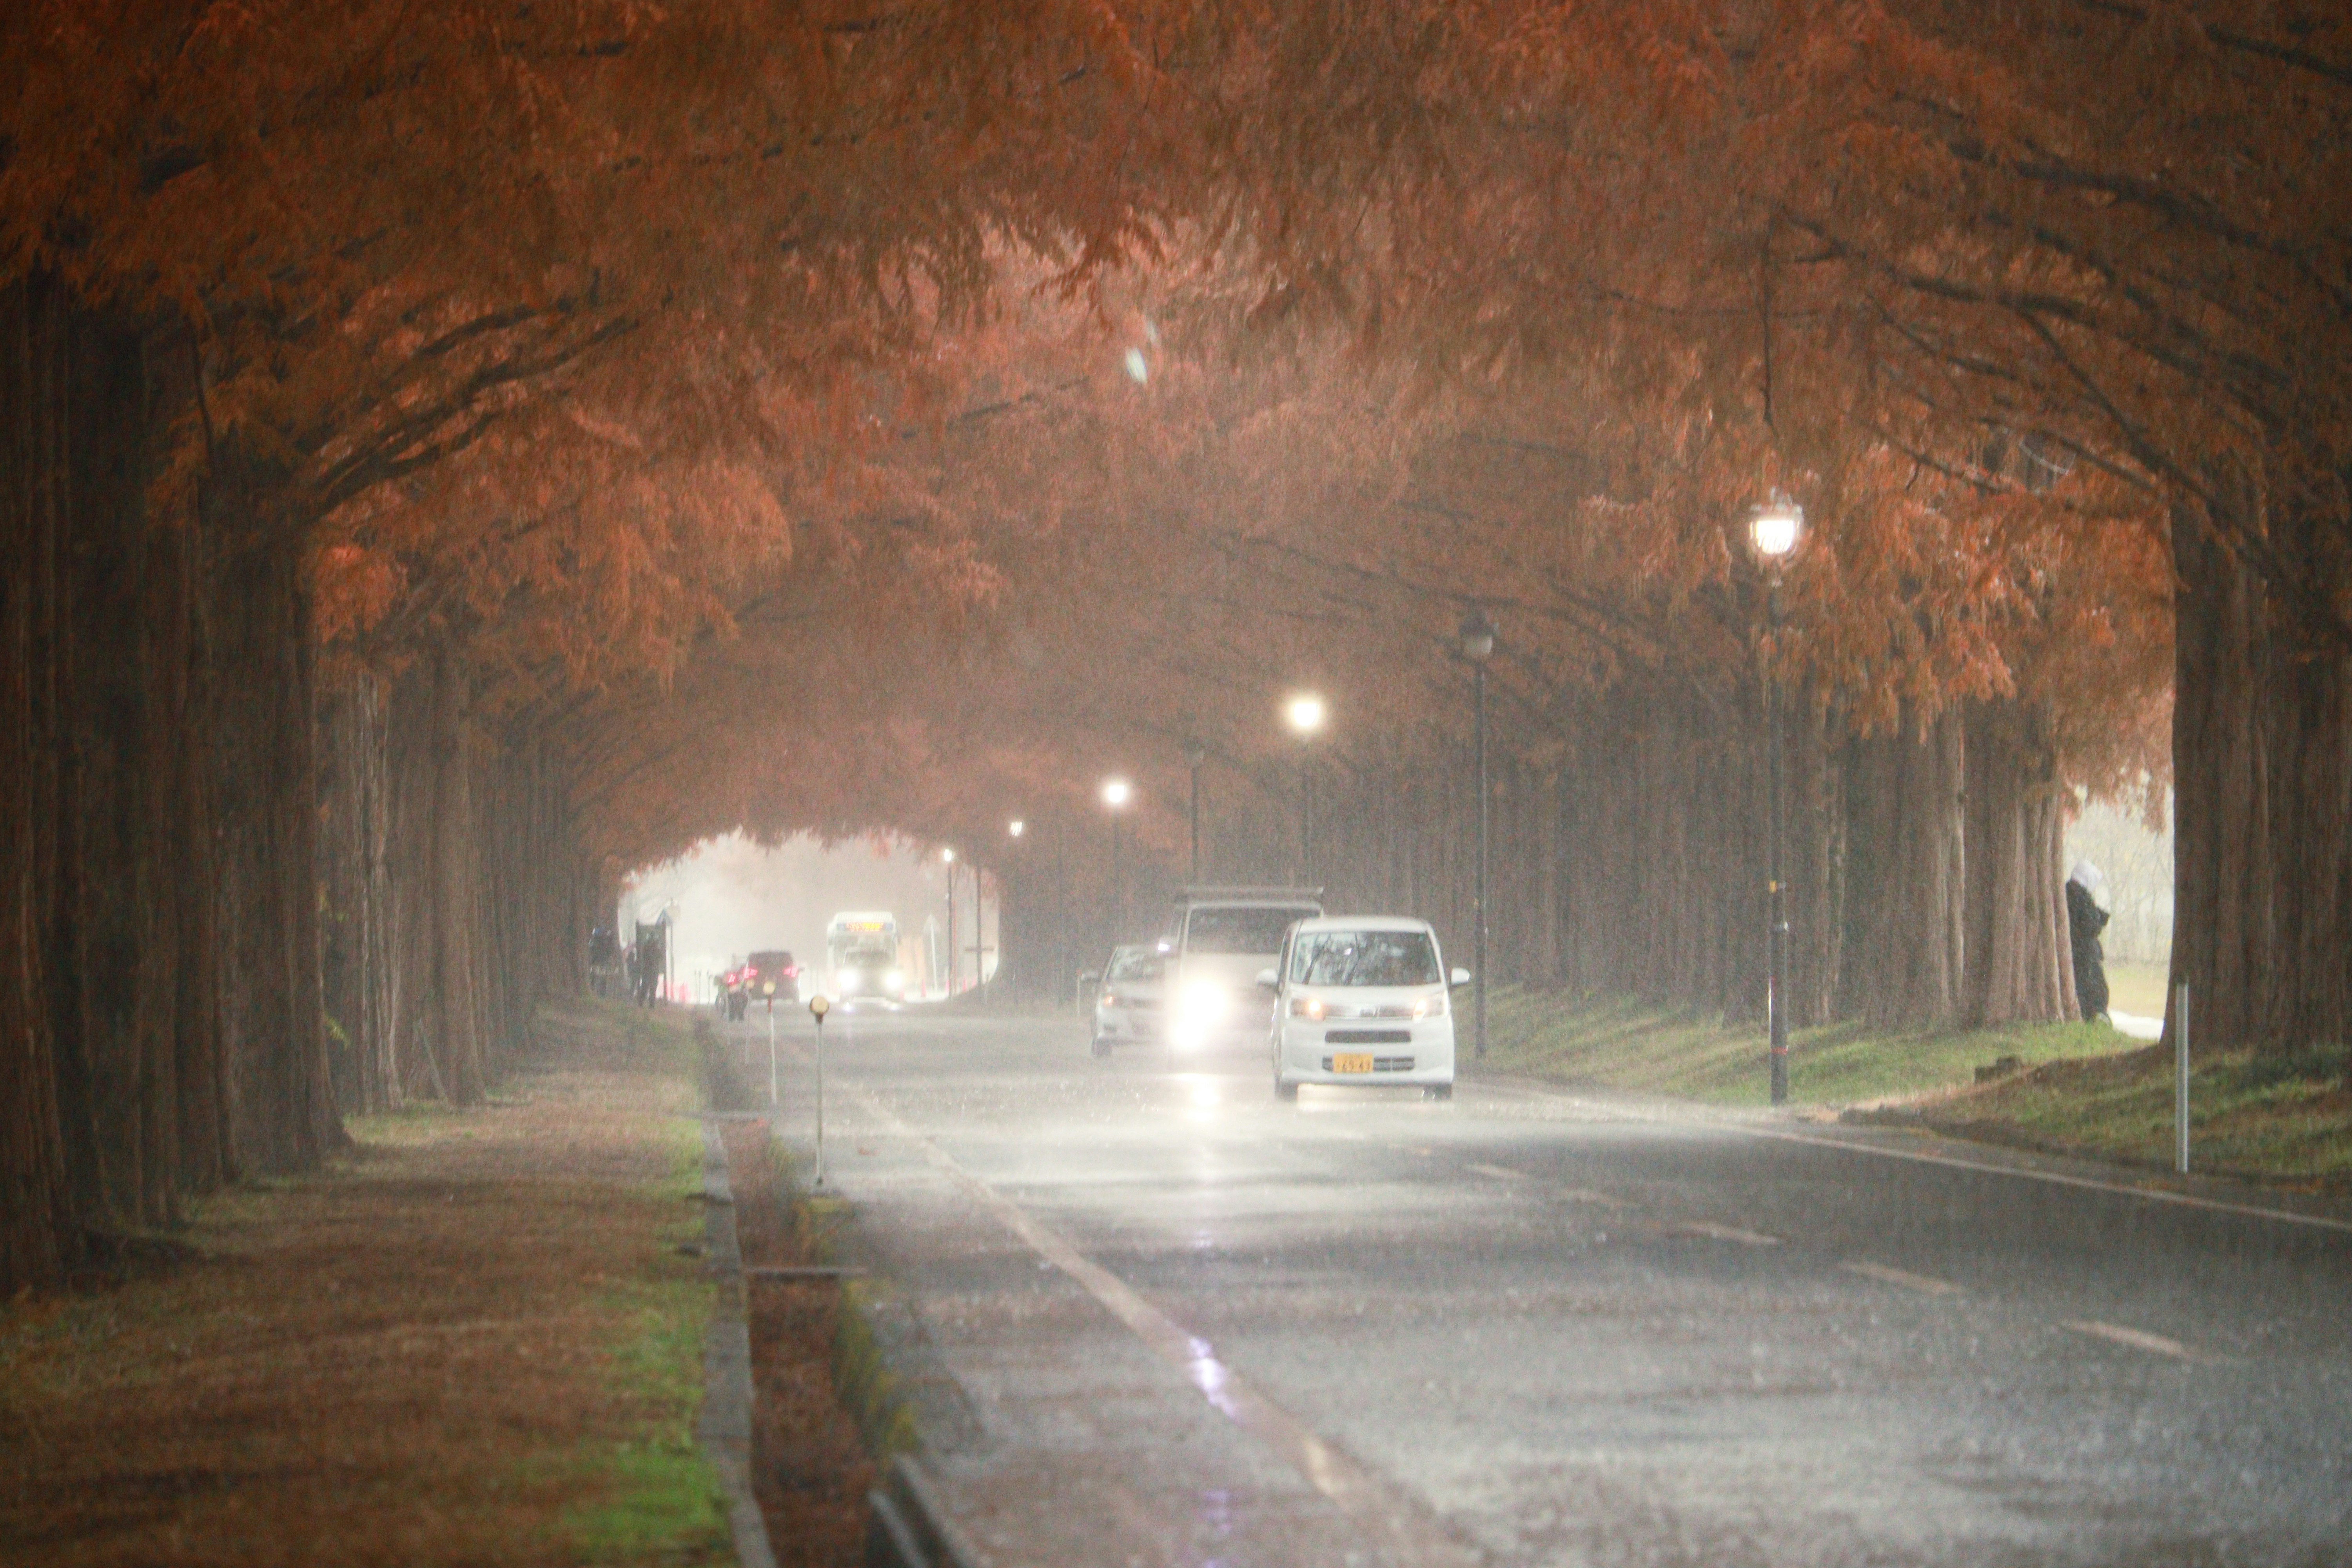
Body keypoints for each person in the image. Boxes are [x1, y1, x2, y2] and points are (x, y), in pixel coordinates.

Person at [2066, 860, 2111, 1022]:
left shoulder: (2068, 893)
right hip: (2085, 955)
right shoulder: (2080, 896)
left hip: (2078, 953)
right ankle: (2095, 1016)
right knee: (2094, 988)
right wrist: (2100, 919)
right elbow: (2090, 925)